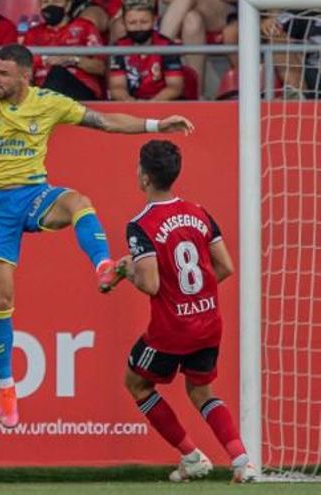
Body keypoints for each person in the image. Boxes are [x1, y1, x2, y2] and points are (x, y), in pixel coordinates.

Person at [0, 44, 193, 428]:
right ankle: (6, 385)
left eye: (3, 73)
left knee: (79, 202)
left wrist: (157, 126)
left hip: (33, 196)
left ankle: (103, 266)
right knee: (2, 295)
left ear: (25, 76)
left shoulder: (48, 103)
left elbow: (105, 122)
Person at [116, 140, 257, 483]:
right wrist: (194, 295)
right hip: (208, 322)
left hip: (171, 330)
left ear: (145, 177)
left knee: (137, 384)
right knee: (201, 391)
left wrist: (126, 269)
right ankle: (242, 461)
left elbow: (150, 283)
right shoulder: (198, 212)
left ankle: (191, 456)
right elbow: (225, 266)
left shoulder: (141, 224)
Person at [23, 0, 106, 101]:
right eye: (45, 2)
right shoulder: (32, 34)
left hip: (80, 89)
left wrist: (71, 59)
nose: (51, 5)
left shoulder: (85, 27)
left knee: (57, 72)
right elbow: (24, 71)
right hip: (42, 89)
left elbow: (101, 67)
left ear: (68, 5)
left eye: (56, 1)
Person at [108, 0, 184, 101]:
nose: (139, 27)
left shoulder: (166, 46)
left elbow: (175, 87)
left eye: (144, 22)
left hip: (162, 103)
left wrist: (150, 104)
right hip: (129, 104)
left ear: (154, 20)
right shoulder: (119, 47)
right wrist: (131, 102)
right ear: (123, 22)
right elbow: (117, 87)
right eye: (132, 23)